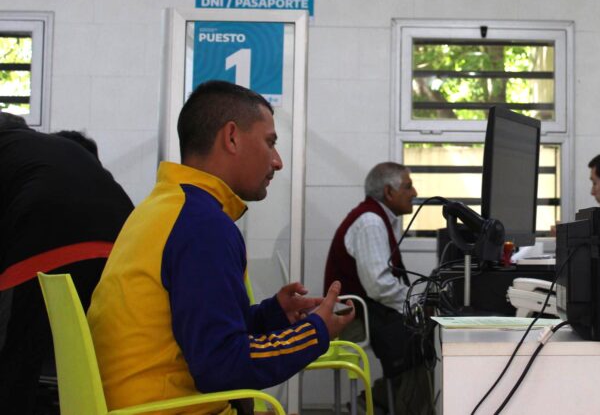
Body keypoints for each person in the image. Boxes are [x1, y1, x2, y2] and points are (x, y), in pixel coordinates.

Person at [87, 81, 354, 413]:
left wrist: (272, 315)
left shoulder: (162, 209)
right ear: (232, 137)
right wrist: (316, 332)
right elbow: (221, 366)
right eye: (270, 142)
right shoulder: (202, 225)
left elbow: (195, 329)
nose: (278, 161)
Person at [0, 114, 133, 412]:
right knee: (92, 360)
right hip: (124, 247)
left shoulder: (13, 153)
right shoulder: (46, 149)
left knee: (13, 358)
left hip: (44, 243)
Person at [323, 162, 433, 414]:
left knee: (419, 339)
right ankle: (389, 405)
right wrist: (416, 303)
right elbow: (379, 286)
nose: (415, 193)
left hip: (361, 311)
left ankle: (376, 402)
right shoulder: (371, 222)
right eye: (408, 186)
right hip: (353, 318)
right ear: (389, 192)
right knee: (420, 342)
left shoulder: (374, 218)